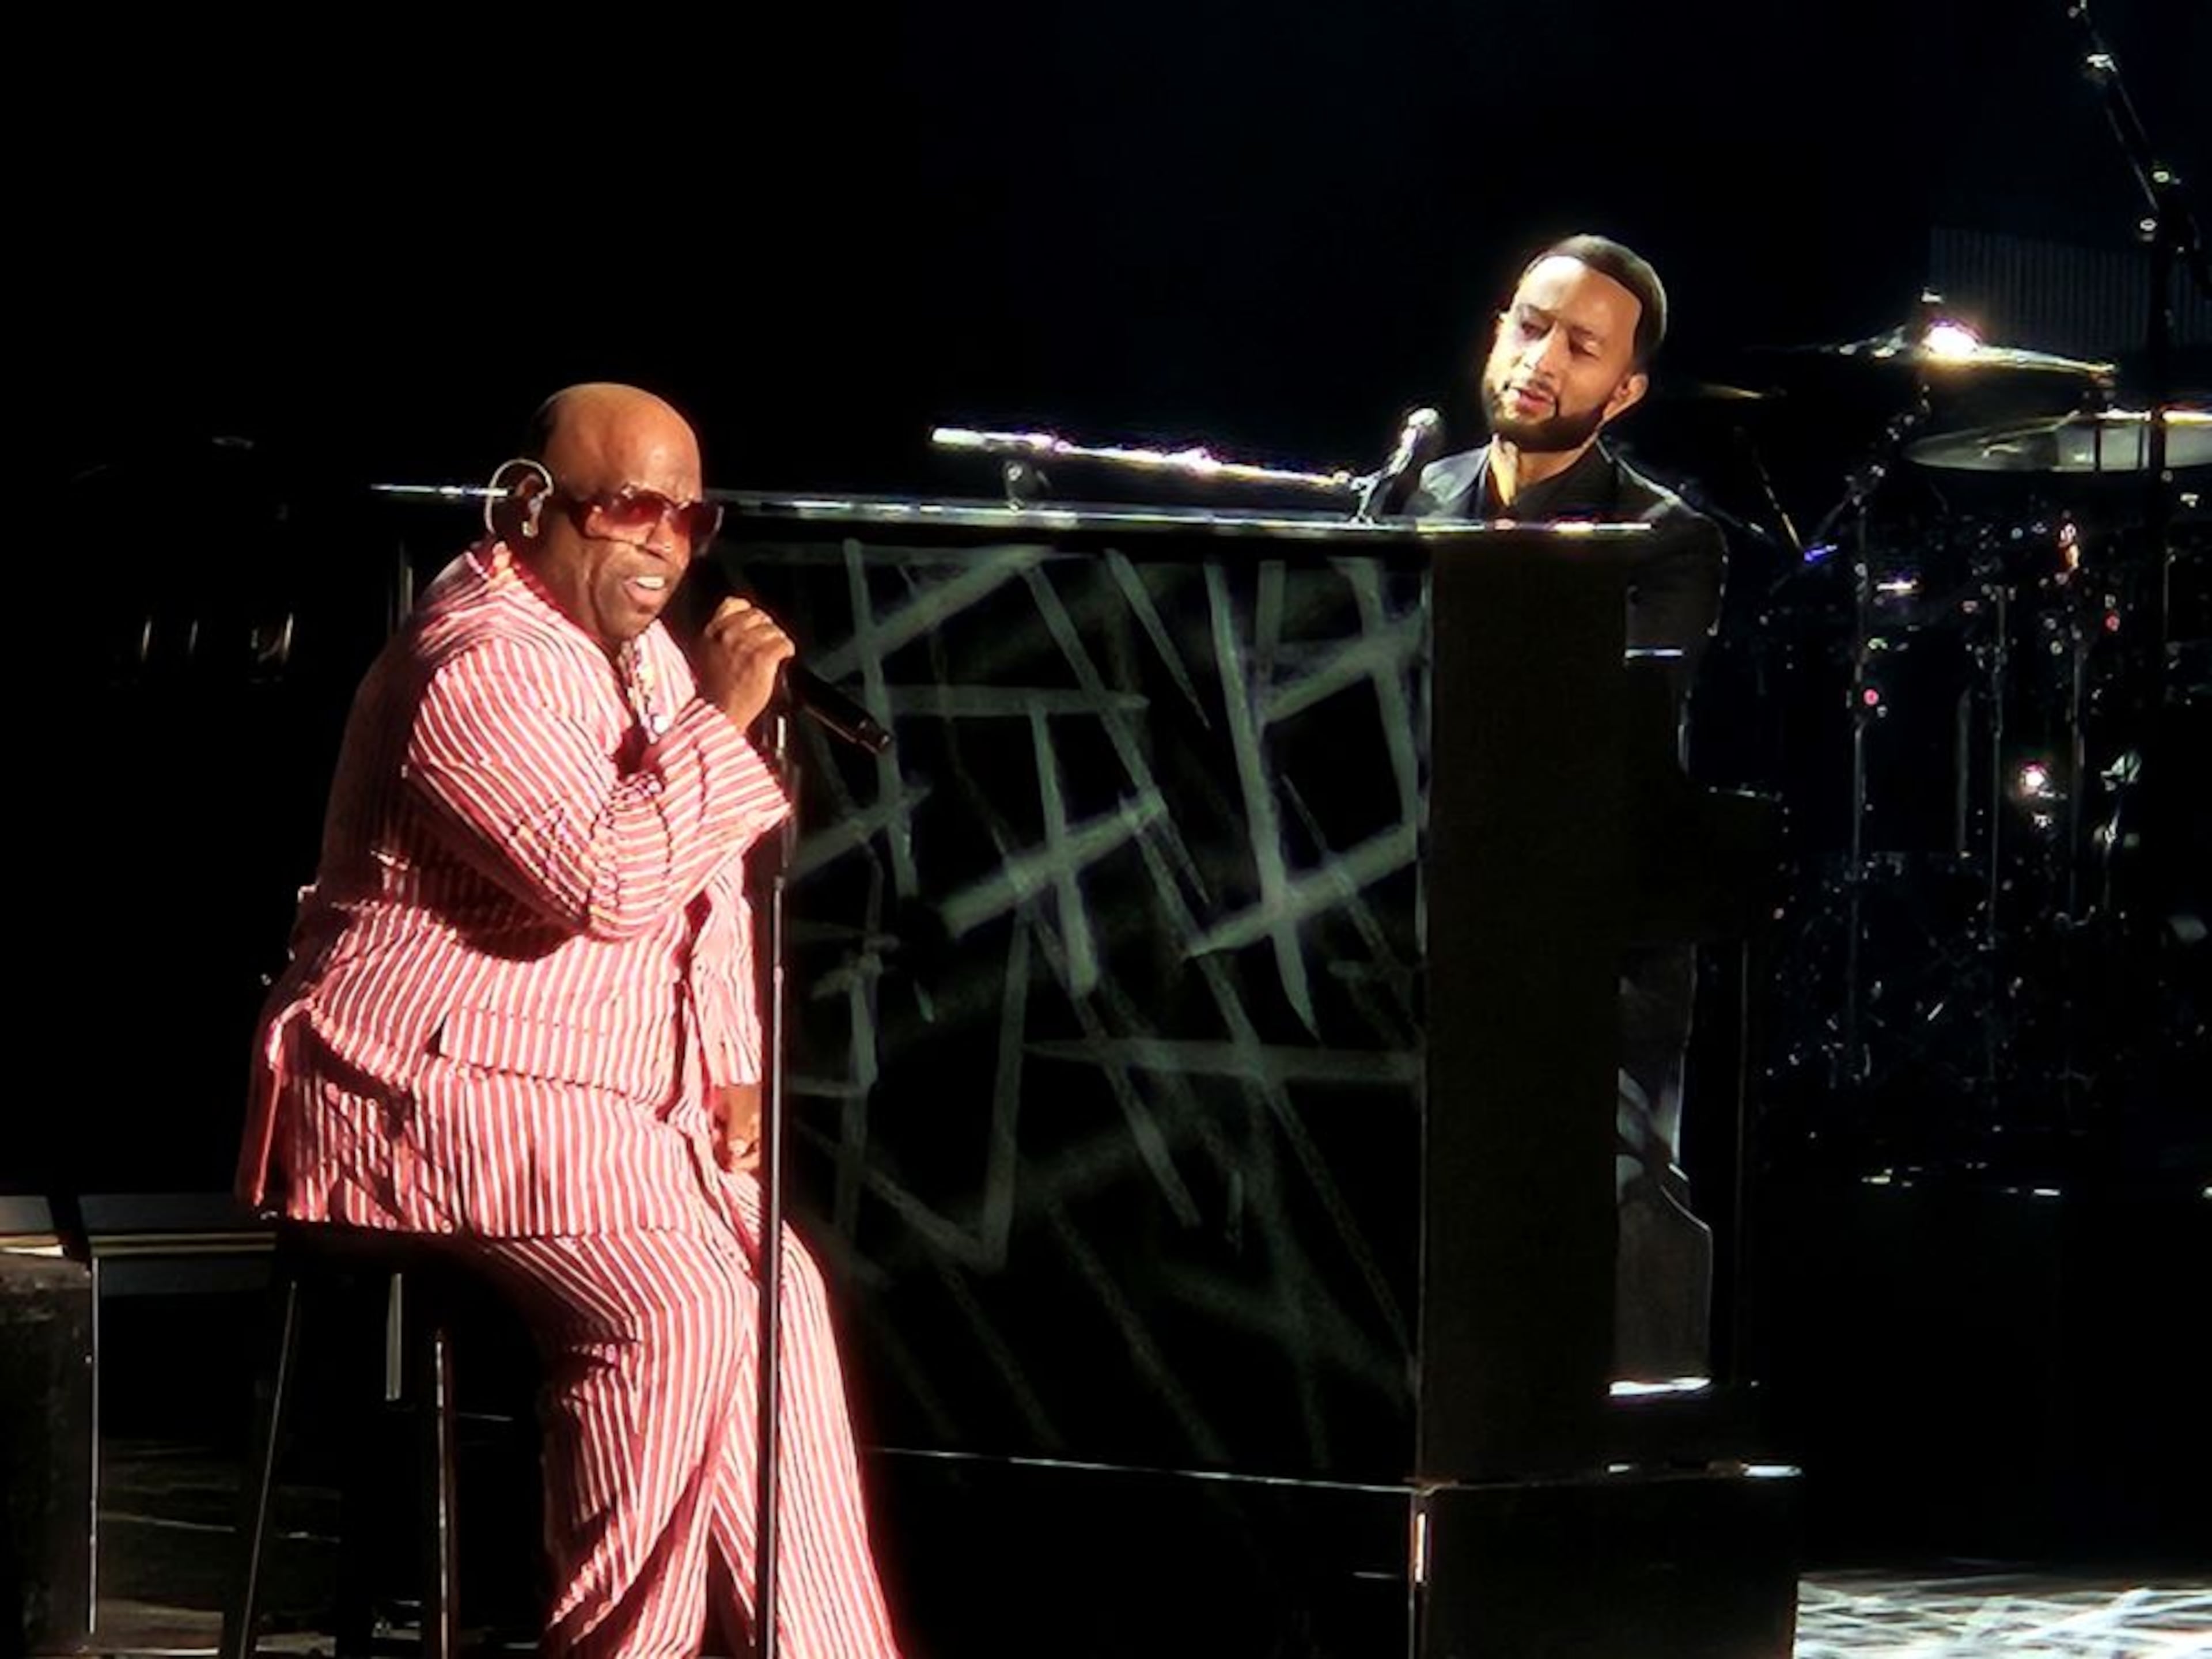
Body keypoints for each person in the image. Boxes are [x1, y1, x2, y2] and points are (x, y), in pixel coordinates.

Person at [235, 383, 905, 1659]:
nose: (663, 544)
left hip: (600, 1104)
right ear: (533, 503)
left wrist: (732, 1065)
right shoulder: (475, 664)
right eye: (630, 508)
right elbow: (610, 881)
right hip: (426, 1090)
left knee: (781, 1296)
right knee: (677, 1308)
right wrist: (718, 722)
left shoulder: (646, 656)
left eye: (688, 520)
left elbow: (704, 891)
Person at [1408, 236, 1726, 1381]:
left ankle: (1618, 1457)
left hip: (1590, 931)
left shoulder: (1668, 539)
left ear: (1623, 391)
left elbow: (1603, 725)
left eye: (1580, 346)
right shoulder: (1408, 495)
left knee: (1615, 1190)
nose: (1540, 359)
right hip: (1419, 905)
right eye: (1529, 325)